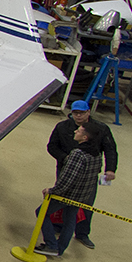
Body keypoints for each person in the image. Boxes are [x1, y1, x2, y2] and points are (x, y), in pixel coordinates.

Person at [46, 100, 117, 248]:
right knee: (63, 201)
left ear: (88, 112)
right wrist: (65, 158)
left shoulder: (100, 129)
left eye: (82, 113)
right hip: (67, 170)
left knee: (86, 204)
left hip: (88, 176)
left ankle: (82, 233)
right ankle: (59, 227)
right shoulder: (62, 127)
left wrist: (110, 169)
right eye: (75, 113)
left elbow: (110, 149)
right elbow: (52, 146)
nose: (78, 116)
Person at [40, 144, 102, 258]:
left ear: (85, 138)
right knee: (70, 219)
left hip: (67, 195)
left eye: (79, 131)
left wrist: (53, 191)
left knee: (41, 212)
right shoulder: (97, 154)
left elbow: (67, 179)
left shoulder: (77, 154)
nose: (76, 131)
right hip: (80, 196)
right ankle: (60, 249)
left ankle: (51, 245)